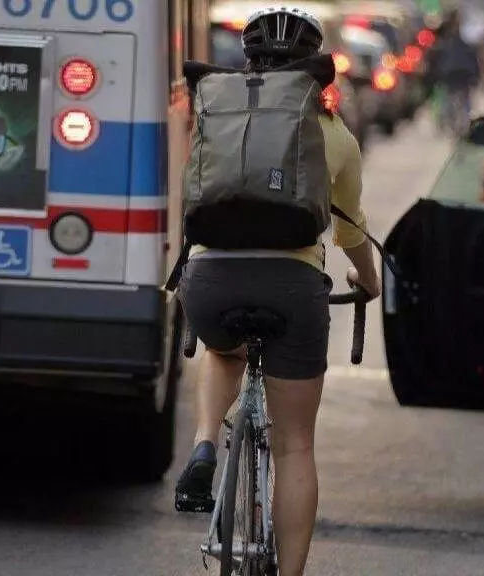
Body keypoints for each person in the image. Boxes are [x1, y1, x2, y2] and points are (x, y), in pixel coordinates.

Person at [172, 7, 382, 576]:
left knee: (222, 349)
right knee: (294, 445)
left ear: (248, 59)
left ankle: (204, 444)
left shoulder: (217, 110)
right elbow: (349, 228)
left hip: (212, 280)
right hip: (292, 288)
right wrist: (368, 277)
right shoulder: (332, 130)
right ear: (315, 63)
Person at [429, 8, 481, 134]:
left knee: (459, 100)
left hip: (457, 74)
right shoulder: (447, 38)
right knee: (451, 100)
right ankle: (456, 121)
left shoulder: (456, 40)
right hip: (454, 74)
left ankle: (465, 122)